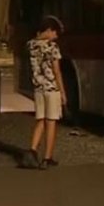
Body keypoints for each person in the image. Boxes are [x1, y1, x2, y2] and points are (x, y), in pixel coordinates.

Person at [24, 15, 67, 169]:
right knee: (51, 122)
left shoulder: (31, 45)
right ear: (48, 30)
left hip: (38, 89)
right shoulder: (52, 47)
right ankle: (47, 158)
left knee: (40, 121)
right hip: (51, 89)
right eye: (55, 33)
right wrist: (63, 92)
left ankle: (32, 151)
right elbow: (57, 71)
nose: (56, 37)